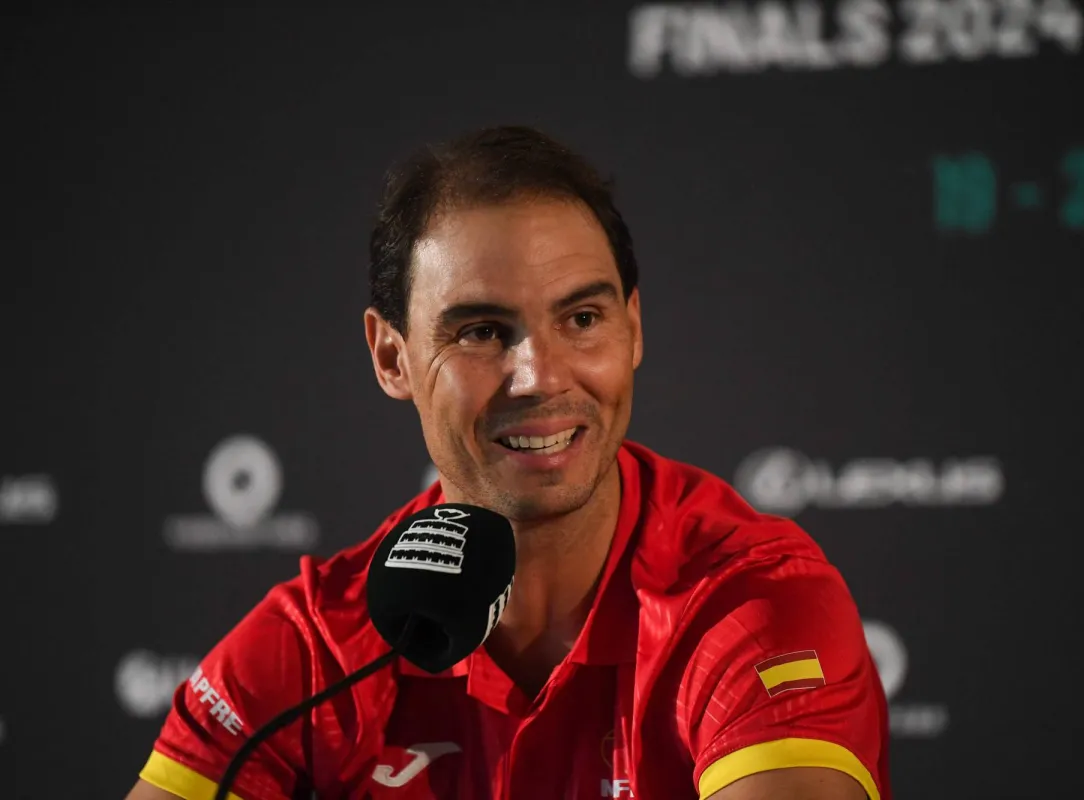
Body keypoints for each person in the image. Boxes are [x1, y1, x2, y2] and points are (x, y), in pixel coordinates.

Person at [126, 126, 890, 800]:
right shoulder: (320, 648)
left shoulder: (748, 603)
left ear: (633, 329)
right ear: (391, 357)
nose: (541, 377)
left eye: (582, 318)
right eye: (483, 332)